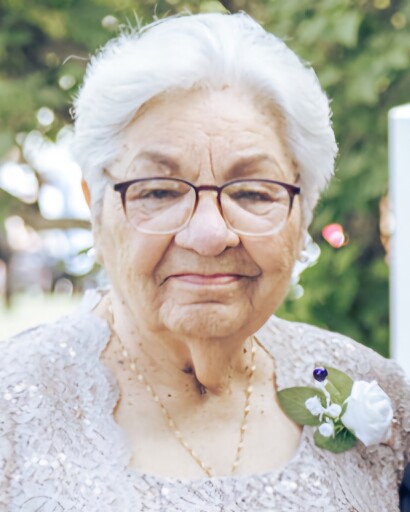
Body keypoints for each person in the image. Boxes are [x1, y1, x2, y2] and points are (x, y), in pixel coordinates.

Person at [1, 12, 409, 511]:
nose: (210, 235)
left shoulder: (377, 394)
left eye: (253, 192)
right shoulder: (12, 407)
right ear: (96, 209)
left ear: (303, 213)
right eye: (159, 191)